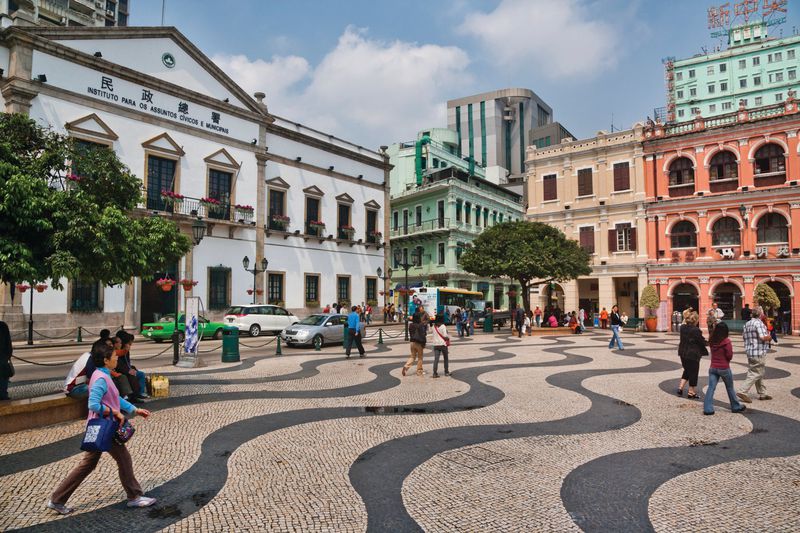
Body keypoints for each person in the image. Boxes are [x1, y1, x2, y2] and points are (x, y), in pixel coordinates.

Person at [47, 342, 155, 514]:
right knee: (124, 459)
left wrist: (134, 410)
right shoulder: (101, 378)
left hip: (102, 427)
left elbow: (115, 398)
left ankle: (57, 499)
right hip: (106, 426)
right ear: (106, 360)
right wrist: (116, 413)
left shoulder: (102, 375)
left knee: (88, 464)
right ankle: (134, 497)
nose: (117, 357)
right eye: (114, 356)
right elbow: (93, 404)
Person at [703, 322, 746, 415]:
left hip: (713, 367)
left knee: (711, 387)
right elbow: (729, 355)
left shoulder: (712, 340)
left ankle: (707, 408)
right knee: (730, 387)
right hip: (724, 368)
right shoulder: (726, 341)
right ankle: (735, 406)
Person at [737, 305, 772, 403]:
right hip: (758, 351)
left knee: (758, 371)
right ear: (761, 314)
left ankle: (762, 393)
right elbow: (762, 337)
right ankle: (742, 391)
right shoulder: (759, 323)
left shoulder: (747, 324)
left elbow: (744, 337)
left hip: (750, 351)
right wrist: (769, 337)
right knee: (757, 372)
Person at [677, 311, 707, 399]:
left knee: (687, 369)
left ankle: (680, 388)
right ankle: (691, 392)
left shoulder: (682, 327)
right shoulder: (696, 330)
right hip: (692, 354)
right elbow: (701, 341)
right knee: (693, 371)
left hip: (683, 352)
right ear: (695, 320)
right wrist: (709, 343)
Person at [115, 331, 148, 401]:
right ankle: (137, 394)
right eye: (129, 343)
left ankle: (138, 393)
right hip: (121, 371)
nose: (130, 345)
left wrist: (130, 369)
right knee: (138, 375)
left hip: (125, 369)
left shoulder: (124, 351)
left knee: (137, 374)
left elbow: (126, 363)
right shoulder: (118, 352)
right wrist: (128, 370)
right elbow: (119, 365)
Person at [402, 312, 427, 376]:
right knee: (420, 357)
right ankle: (419, 371)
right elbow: (423, 335)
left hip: (412, 342)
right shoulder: (421, 325)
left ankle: (406, 366)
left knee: (412, 356)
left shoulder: (411, 325)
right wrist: (424, 343)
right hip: (419, 343)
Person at [0, 320, 12, 401]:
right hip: (3, 360)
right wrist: (7, 357)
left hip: (2, 359)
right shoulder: (3, 326)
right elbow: (9, 345)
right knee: (3, 381)